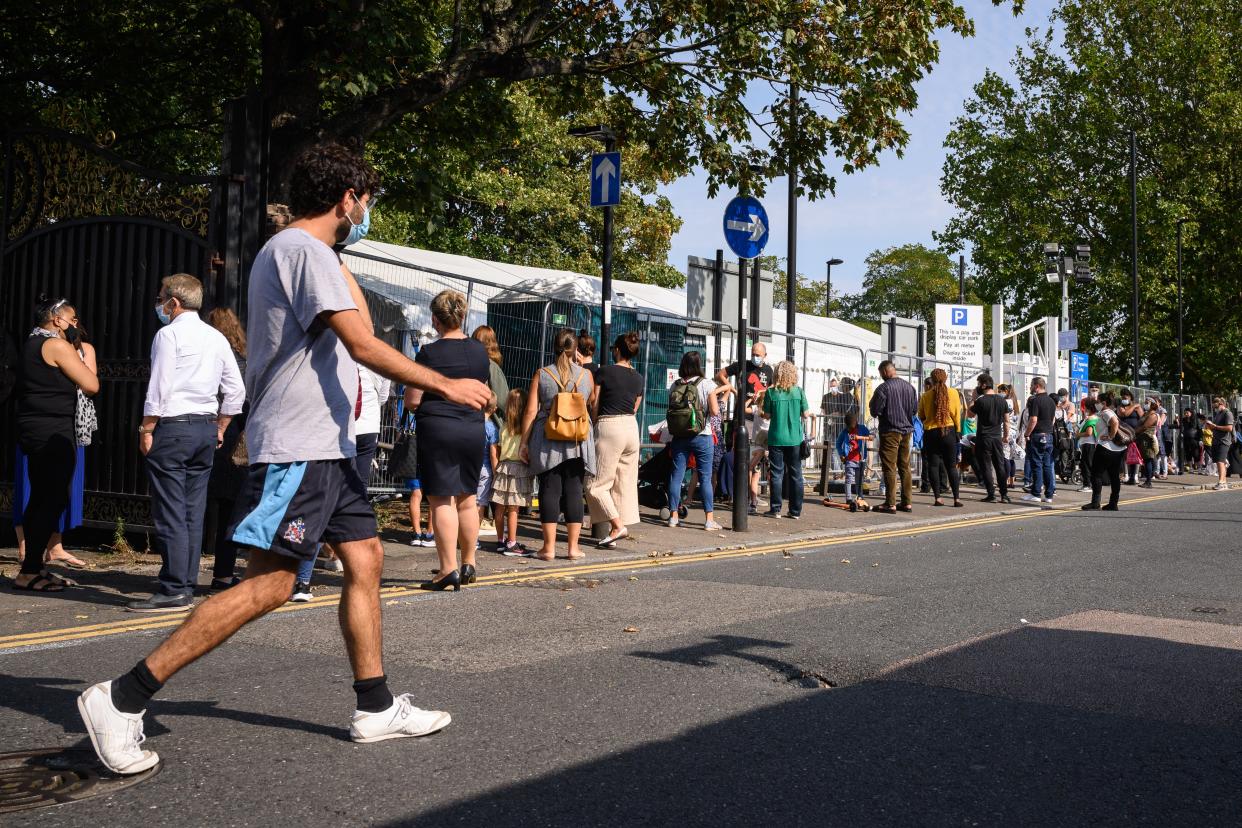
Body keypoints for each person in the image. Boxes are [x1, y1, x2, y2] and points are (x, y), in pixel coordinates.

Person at [76, 143, 490, 775]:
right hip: (301, 448)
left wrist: (334, 242)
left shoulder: (307, 251)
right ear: (347, 200)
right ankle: (122, 696)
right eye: (365, 201)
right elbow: (362, 343)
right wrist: (447, 385)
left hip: (326, 445)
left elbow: (357, 316)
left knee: (367, 557)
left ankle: (374, 705)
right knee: (269, 584)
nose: (367, 211)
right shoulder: (300, 251)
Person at [128, 275, 246, 612]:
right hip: (205, 430)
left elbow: (159, 388)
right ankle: (186, 584)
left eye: (160, 297)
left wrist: (146, 429)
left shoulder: (168, 335)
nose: (158, 303)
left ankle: (174, 587)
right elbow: (236, 390)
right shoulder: (216, 338)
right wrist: (222, 425)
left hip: (174, 428)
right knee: (193, 511)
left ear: (174, 303)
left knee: (170, 511)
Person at [11, 298, 99, 593]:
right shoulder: (57, 346)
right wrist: (79, 348)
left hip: (38, 428)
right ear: (57, 320)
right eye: (72, 320)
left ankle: (34, 566)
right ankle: (29, 571)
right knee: (51, 498)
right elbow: (91, 383)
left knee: (43, 498)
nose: (76, 325)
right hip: (52, 431)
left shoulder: (32, 343)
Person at [407, 290, 490, 590]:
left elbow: (413, 401)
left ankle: (447, 569)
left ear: (435, 319)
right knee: (468, 497)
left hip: (438, 428)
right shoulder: (480, 352)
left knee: (441, 498)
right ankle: (469, 563)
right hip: (472, 428)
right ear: (462, 316)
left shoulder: (428, 354)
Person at [292, 362, 390, 602]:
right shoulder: (371, 354)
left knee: (319, 500)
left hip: (333, 430)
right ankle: (349, 564)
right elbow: (384, 395)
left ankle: (303, 577)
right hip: (367, 426)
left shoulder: (331, 352)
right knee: (355, 497)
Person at [519, 328, 596, 559]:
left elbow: (531, 410)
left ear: (554, 347)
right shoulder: (586, 376)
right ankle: (573, 548)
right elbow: (591, 403)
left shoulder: (542, 374)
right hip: (576, 437)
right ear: (575, 350)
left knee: (549, 489)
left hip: (548, 437)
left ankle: (549, 548)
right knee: (574, 489)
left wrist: (524, 442)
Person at [205, 307, 249, 590]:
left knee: (197, 502)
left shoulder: (208, 356)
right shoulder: (244, 360)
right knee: (229, 511)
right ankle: (223, 572)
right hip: (233, 438)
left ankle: (181, 568)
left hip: (206, 428)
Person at [587, 331, 644, 548]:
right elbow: (635, 407)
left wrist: (594, 424)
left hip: (609, 425)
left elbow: (595, 402)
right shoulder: (638, 377)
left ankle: (618, 525)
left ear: (617, 350)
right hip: (631, 427)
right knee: (623, 483)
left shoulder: (604, 372)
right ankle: (614, 531)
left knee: (595, 485)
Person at [665, 350, 721, 529]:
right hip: (702, 435)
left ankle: (673, 517)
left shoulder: (675, 385)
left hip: (679, 436)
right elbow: (714, 411)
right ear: (699, 364)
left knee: (676, 476)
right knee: (705, 478)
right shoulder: (706, 384)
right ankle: (709, 520)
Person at [717, 342, 774, 515]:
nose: (755, 356)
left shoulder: (769, 371)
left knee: (754, 462)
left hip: (760, 418)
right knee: (741, 458)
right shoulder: (743, 365)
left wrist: (764, 393)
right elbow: (721, 374)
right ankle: (738, 495)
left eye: (758, 354)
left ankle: (752, 497)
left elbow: (773, 386)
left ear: (765, 355)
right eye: (753, 353)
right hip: (743, 417)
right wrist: (733, 389)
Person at [761, 360, 812, 519]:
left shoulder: (771, 393)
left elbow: (767, 416)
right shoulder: (799, 392)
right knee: (796, 474)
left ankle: (775, 509)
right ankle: (795, 511)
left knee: (776, 474)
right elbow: (805, 414)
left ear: (777, 374)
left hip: (776, 437)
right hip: (795, 439)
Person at [867, 360, 918, 514]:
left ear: (884, 371)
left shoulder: (883, 388)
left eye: (880, 373)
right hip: (906, 431)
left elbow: (874, 410)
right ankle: (907, 502)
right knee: (905, 467)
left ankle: (890, 503)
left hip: (890, 431)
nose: (881, 376)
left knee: (889, 467)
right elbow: (914, 410)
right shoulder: (910, 387)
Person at [493, 388, 533, 556]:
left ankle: (501, 540)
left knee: (500, 508)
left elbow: (497, 448)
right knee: (514, 508)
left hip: (503, 467)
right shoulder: (525, 430)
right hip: (518, 468)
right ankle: (512, 543)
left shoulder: (503, 427)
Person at [918, 368, 963, 507]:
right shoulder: (953, 393)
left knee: (933, 465)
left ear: (931, 379)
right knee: (951, 466)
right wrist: (958, 431)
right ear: (945, 378)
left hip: (931, 432)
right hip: (948, 431)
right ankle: (956, 499)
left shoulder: (926, 396)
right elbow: (957, 413)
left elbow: (921, 415)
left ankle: (937, 498)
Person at [969, 374, 1011, 503]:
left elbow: (969, 415)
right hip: (997, 437)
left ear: (983, 385)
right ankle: (1004, 495)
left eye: (978, 384)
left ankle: (991, 494)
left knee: (986, 466)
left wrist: (973, 399)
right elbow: (1007, 421)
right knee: (1000, 465)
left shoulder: (981, 401)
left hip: (983, 437)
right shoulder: (1002, 401)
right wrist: (1006, 436)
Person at [1082, 392, 1126, 511]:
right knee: (1114, 476)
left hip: (1106, 447)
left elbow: (1114, 422)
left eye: (1097, 402)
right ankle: (1113, 502)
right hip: (1117, 449)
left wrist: (1110, 436)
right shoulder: (1107, 412)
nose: (1096, 404)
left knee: (1096, 474)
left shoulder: (1106, 412)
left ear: (1104, 403)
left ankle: (1095, 503)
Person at [1021, 377, 1057, 505]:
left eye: (1031, 385)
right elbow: (1053, 420)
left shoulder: (1036, 401)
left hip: (1037, 435)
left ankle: (1036, 493)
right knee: (1047, 465)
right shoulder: (1052, 401)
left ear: (1036, 386)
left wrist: (1027, 433)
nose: (1030, 387)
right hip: (1049, 435)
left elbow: (1033, 419)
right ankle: (1049, 495)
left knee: (1036, 464)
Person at [472, 325, 509, 425]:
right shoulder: (491, 366)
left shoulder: (469, 363)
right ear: (492, 343)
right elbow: (503, 401)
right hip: (488, 422)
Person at [835, 411, 872, 511]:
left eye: (852, 427)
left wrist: (868, 437)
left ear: (856, 422)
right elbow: (838, 444)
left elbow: (871, 436)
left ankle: (860, 497)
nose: (850, 429)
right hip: (849, 459)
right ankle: (848, 499)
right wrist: (842, 454)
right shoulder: (844, 432)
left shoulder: (862, 429)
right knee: (848, 479)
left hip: (860, 459)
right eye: (849, 427)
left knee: (859, 480)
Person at [1204, 396, 1235, 489]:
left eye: (1216, 407)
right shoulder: (1218, 414)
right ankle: (1224, 482)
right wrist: (1210, 426)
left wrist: (1215, 426)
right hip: (1216, 441)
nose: (1215, 409)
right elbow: (1215, 427)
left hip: (1224, 441)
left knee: (1221, 461)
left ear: (1221, 404)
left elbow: (1229, 428)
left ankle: (1221, 482)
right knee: (1219, 462)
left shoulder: (1227, 413)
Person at [1118, 389, 1144, 484]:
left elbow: (1142, 418)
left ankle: (1136, 475)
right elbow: (1124, 413)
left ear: (1130, 397)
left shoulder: (1137, 407)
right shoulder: (1121, 407)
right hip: (1124, 434)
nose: (1124, 398)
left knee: (1136, 454)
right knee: (1125, 455)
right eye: (1123, 397)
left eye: (1126, 396)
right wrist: (1135, 406)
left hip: (1135, 434)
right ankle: (1126, 475)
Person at [1135, 399, 1161, 488]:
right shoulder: (1147, 413)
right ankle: (1147, 480)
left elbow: (1144, 426)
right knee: (1146, 460)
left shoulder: (1153, 415)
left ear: (1152, 404)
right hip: (1143, 439)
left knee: (1148, 460)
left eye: (1147, 403)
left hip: (1148, 440)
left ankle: (1148, 481)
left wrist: (1134, 432)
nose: (1145, 404)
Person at [1076, 398, 1099, 494]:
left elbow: (1089, 432)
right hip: (1091, 444)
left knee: (1086, 465)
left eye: (1085, 407)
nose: (1084, 409)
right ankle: (1091, 484)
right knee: (1090, 464)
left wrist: (1078, 434)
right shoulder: (1096, 417)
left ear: (1089, 408)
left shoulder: (1090, 419)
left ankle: (1087, 485)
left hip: (1088, 444)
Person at [1179, 407, 1201, 475]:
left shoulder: (1195, 419)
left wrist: (1200, 439)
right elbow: (1180, 427)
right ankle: (1191, 468)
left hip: (1194, 439)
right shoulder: (1183, 420)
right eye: (1185, 413)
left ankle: (1199, 468)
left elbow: (1199, 429)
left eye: (1187, 413)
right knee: (1188, 453)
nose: (1186, 414)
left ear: (1191, 413)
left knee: (1196, 453)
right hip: (1186, 438)